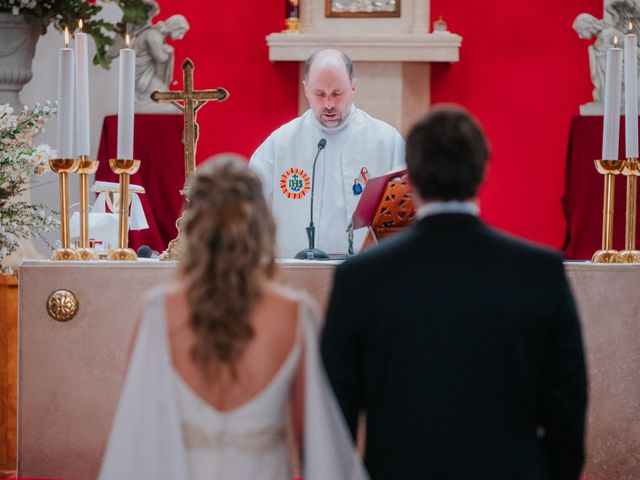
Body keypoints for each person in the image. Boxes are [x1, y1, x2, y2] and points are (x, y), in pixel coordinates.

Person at [321, 105, 588, 479]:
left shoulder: (362, 279)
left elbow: (334, 415)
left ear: (409, 178)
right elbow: (567, 408)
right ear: (483, 172)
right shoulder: (538, 272)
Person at [99, 155, 369, 480]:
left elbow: (136, 429)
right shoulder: (294, 313)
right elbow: (312, 440)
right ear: (262, 224)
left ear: (194, 225)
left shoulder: (159, 310)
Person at [249, 49, 405, 258]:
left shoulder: (386, 140)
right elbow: (249, 202)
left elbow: (406, 208)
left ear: (353, 86)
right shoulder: (281, 143)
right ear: (306, 90)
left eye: (337, 93)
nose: (329, 104)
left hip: (366, 273)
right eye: (320, 94)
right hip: (297, 276)